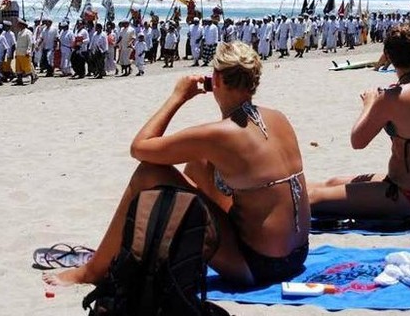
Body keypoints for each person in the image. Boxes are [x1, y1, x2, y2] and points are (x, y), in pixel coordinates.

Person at [43, 41, 309, 288]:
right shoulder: (278, 118)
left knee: (148, 172)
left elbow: (140, 148)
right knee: (200, 159)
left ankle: (91, 273)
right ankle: (166, 246)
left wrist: (178, 97)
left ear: (215, 80)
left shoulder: (220, 135)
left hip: (258, 266)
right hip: (297, 256)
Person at [309, 24, 410, 218]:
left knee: (313, 199)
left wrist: (370, 104)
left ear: (387, 56)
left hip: (406, 195)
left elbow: (358, 141)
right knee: (333, 182)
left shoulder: (392, 97)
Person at [13, 20, 37, 85]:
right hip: (19, 52)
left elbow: (30, 42)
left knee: (27, 67)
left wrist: (28, 51)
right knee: (18, 68)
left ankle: (33, 77)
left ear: (22, 25)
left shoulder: (28, 32)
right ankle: (19, 80)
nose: (18, 26)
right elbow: (17, 43)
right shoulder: (19, 33)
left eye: (19, 24)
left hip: (24, 52)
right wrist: (16, 52)